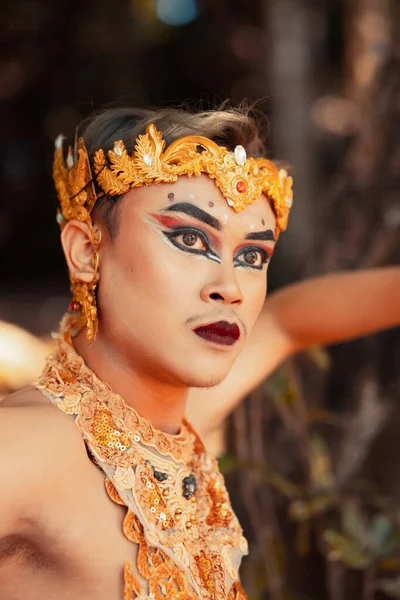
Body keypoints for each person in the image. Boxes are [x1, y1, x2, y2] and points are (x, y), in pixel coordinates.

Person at [0, 106, 399, 600]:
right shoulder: (28, 446)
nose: (230, 288)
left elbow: (286, 319)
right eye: (189, 238)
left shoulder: (162, 425)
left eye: (252, 255)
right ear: (87, 252)